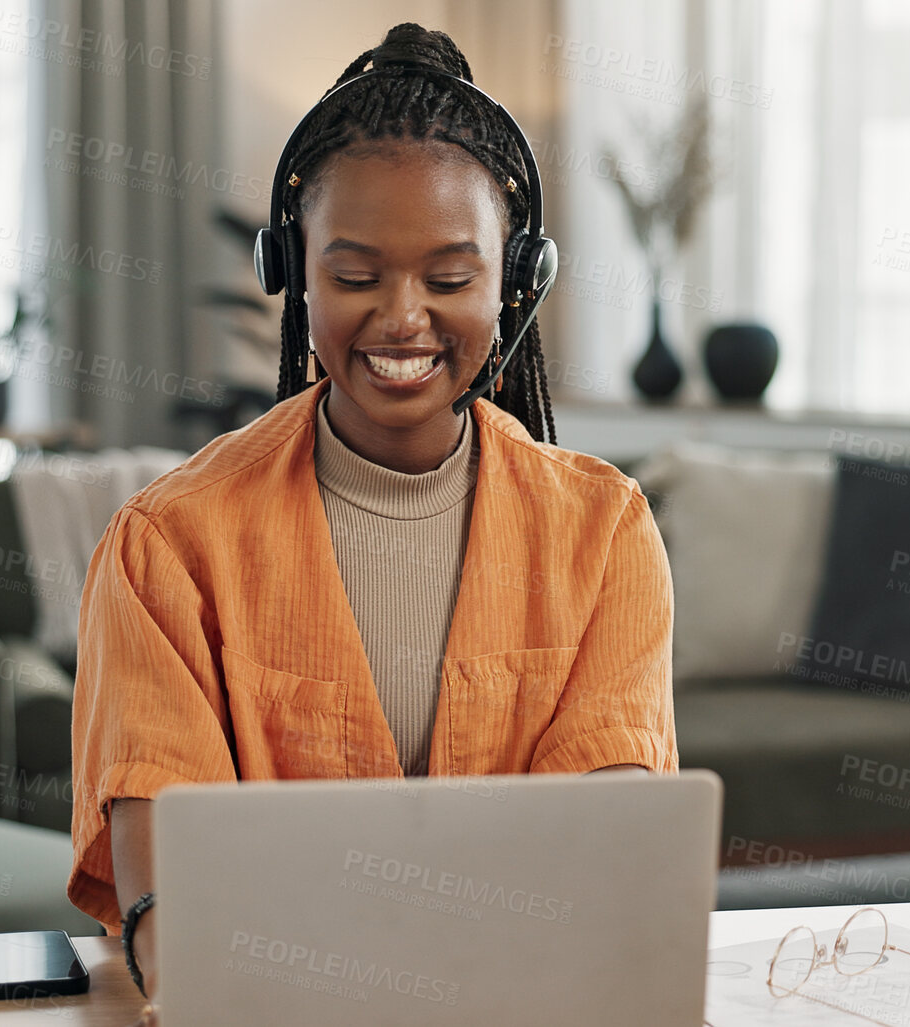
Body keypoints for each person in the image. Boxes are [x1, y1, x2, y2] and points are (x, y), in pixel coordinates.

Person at [66, 23, 677, 1001]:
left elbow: (605, 876)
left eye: (450, 278)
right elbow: (168, 911)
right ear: (293, 274)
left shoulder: (604, 536)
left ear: (518, 282)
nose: (401, 316)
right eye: (355, 277)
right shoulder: (166, 548)